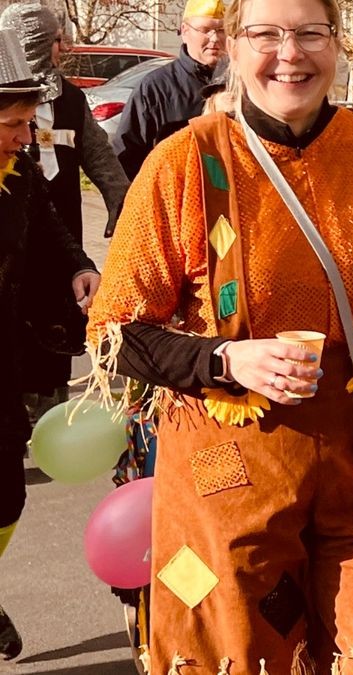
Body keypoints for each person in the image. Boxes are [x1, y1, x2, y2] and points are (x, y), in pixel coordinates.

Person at [85, 0, 353, 671]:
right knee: (243, 654)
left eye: (311, 33)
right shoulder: (184, 163)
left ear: (335, 44)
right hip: (230, 480)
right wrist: (226, 358)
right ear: (230, 43)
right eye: (267, 34)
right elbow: (114, 335)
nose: (291, 53)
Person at [0, 27, 101, 660]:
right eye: (12, 122)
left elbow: (51, 227)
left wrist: (78, 268)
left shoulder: (20, 168)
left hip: (3, 351)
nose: (24, 134)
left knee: (8, 493)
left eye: (27, 121)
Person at [0, 3, 129, 421]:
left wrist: (84, 261)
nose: (26, 136)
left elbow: (99, 159)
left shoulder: (68, 102)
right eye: (57, 39)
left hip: (51, 241)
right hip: (16, 260)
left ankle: (46, 404)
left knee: (55, 328)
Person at [114, 0, 227, 179]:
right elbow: (128, 156)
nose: (214, 38)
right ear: (184, 31)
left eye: (221, 30)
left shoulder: (240, 84)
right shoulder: (156, 88)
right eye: (205, 30)